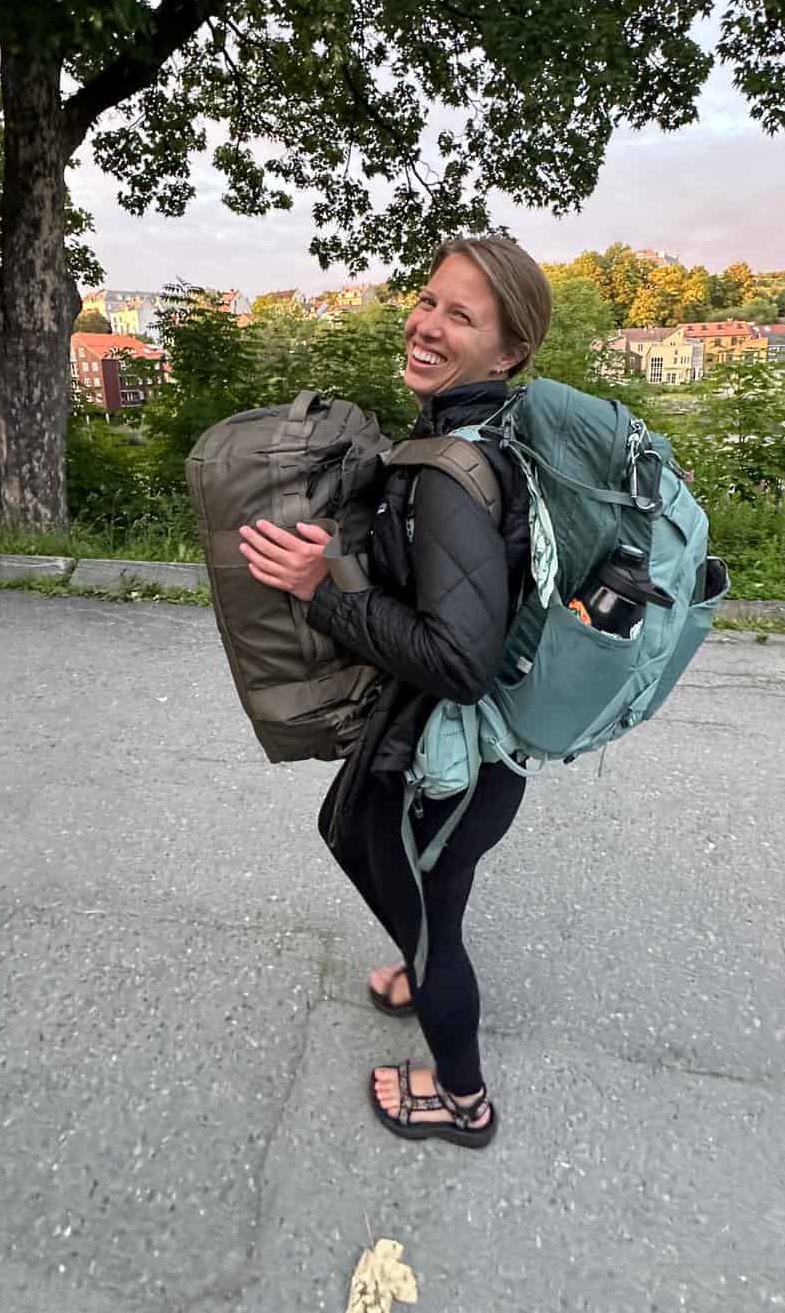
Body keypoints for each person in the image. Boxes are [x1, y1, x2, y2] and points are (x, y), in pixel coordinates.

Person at [238, 235, 552, 1149]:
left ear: (509, 353)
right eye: (428, 300)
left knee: (421, 914)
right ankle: (427, 966)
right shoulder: (488, 429)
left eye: (462, 316)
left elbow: (458, 659)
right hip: (478, 751)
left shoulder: (455, 470)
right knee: (396, 867)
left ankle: (460, 1099)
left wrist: (322, 591)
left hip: (448, 754)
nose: (427, 324)